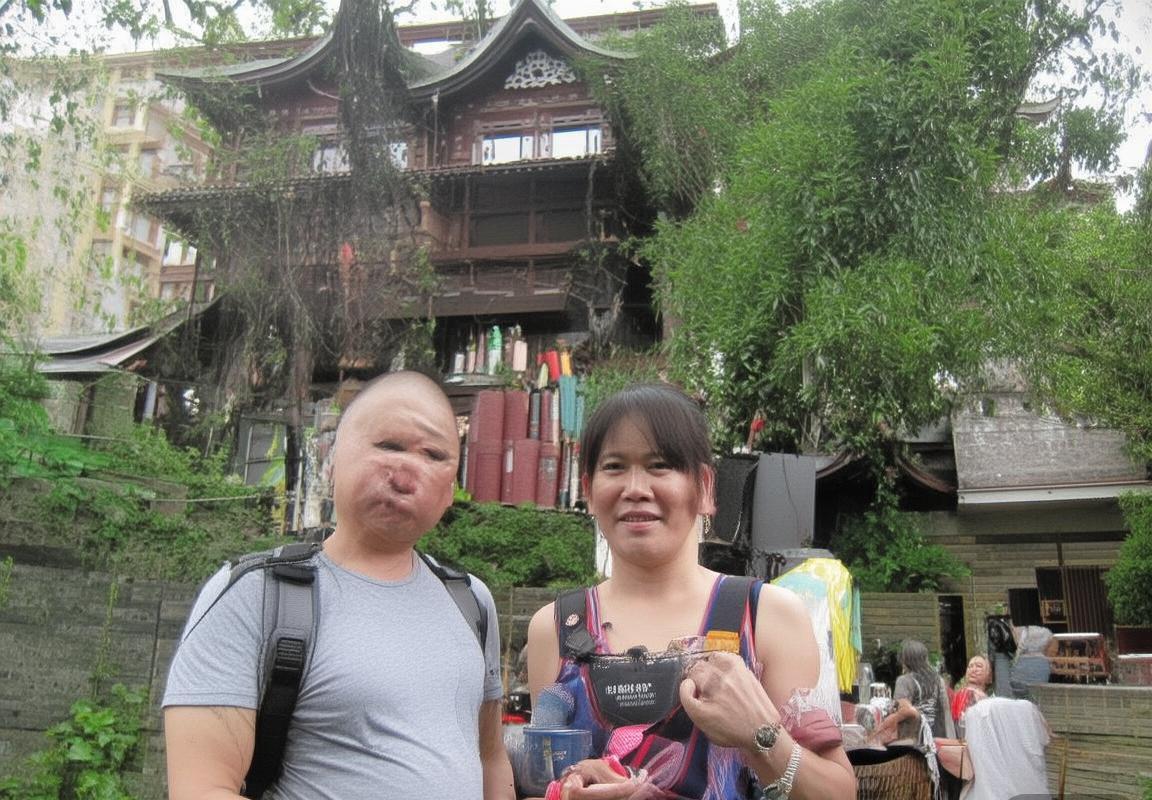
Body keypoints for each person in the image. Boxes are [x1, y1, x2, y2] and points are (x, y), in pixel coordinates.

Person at [163, 371, 515, 800]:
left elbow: (490, 757)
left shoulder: (470, 601)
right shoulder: (255, 595)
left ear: (450, 489)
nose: (407, 471)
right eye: (389, 446)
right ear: (331, 459)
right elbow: (202, 789)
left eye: (434, 455)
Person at [524, 384, 856, 800]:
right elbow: (542, 777)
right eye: (614, 467)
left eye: (660, 465)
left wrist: (760, 734)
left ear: (705, 487)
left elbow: (838, 793)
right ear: (588, 490)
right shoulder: (556, 629)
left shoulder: (767, 617)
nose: (635, 488)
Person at [949, 655, 992, 727]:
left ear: (989, 675)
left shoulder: (989, 700)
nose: (973, 669)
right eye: (970, 666)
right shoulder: (962, 694)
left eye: (979, 666)